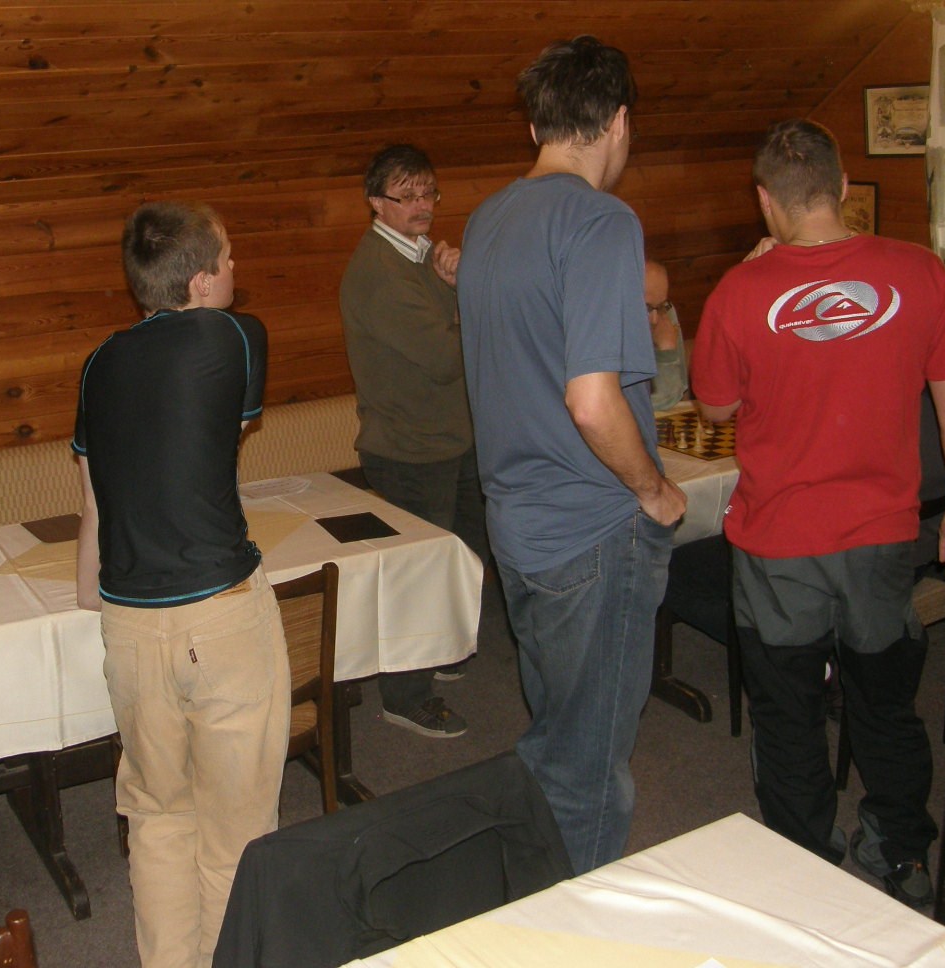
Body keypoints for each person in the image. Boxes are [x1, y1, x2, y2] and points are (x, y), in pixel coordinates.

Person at [693, 119, 945, 908]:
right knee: (884, 701)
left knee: (787, 712)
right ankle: (901, 853)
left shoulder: (739, 291)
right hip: (881, 540)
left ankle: (802, 864)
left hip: (778, 545)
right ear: (844, 188)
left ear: (765, 201)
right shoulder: (919, 271)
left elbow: (714, 406)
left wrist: (751, 279)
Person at [456, 36, 686, 873]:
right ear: (618, 122)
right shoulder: (600, 220)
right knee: (589, 767)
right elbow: (592, 399)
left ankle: (531, 885)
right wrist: (653, 490)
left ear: (536, 127)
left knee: (554, 735)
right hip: (592, 531)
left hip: (517, 526)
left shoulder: (488, 218)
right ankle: (568, 920)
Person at [74, 201, 291, 968]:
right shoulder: (237, 334)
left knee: (158, 817)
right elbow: (220, 437)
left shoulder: (99, 363)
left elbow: (95, 501)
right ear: (200, 281)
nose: (236, 269)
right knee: (236, 831)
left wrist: (95, 599)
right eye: (227, 258)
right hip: (220, 614)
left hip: (129, 621)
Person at [339, 143, 483, 739]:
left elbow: (452, 333)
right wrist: (466, 295)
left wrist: (453, 282)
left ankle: (440, 653)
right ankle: (405, 696)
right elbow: (448, 356)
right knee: (417, 579)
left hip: (452, 438)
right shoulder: (380, 272)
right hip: (409, 449)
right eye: (407, 196)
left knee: (462, 560)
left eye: (429, 193)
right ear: (376, 203)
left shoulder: (420, 256)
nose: (422, 205)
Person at [645, 258, 689, 411]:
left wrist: (667, 350)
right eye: (645, 307)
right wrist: (666, 355)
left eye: (661, 305)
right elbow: (641, 407)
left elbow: (679, 393)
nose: (654, 320)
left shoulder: (666, 313)